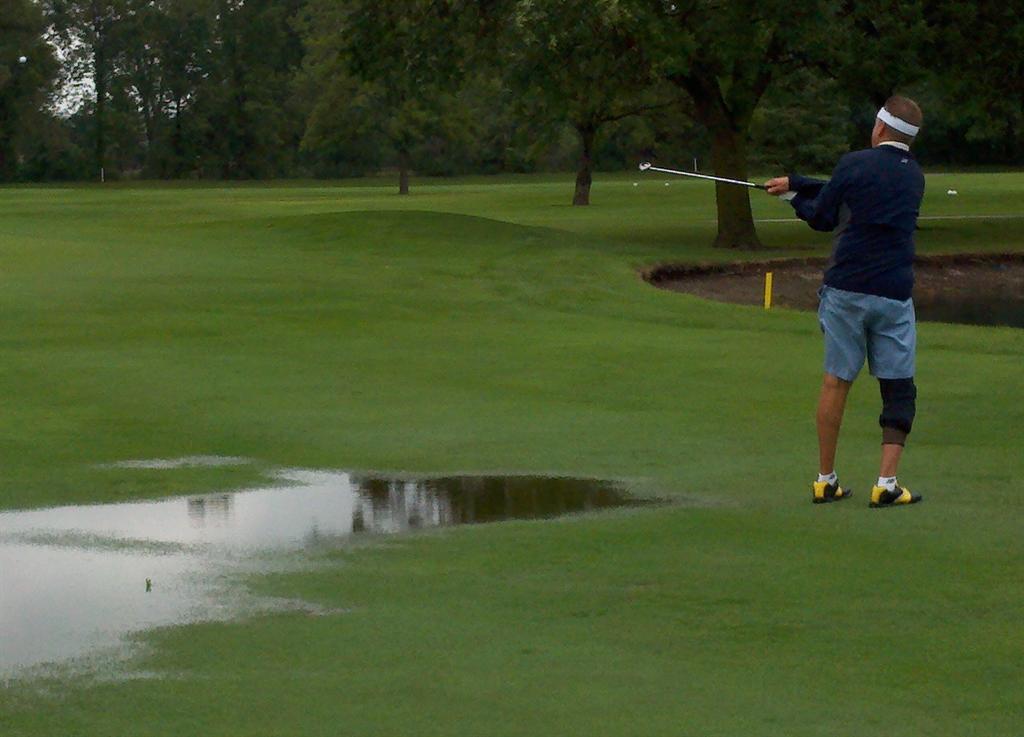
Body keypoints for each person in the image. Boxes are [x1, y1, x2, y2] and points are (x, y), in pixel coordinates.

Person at [765, 95, 926, 508]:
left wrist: (792, 199)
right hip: (893, 292)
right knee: (898, 388)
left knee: (836, 381)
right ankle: (886, 483)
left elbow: (824, 215)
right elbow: (851, 192)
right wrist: (799, 182)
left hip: (846, 290)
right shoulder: (914, 176)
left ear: (879, 127)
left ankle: (825, 480)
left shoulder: (854, 162)